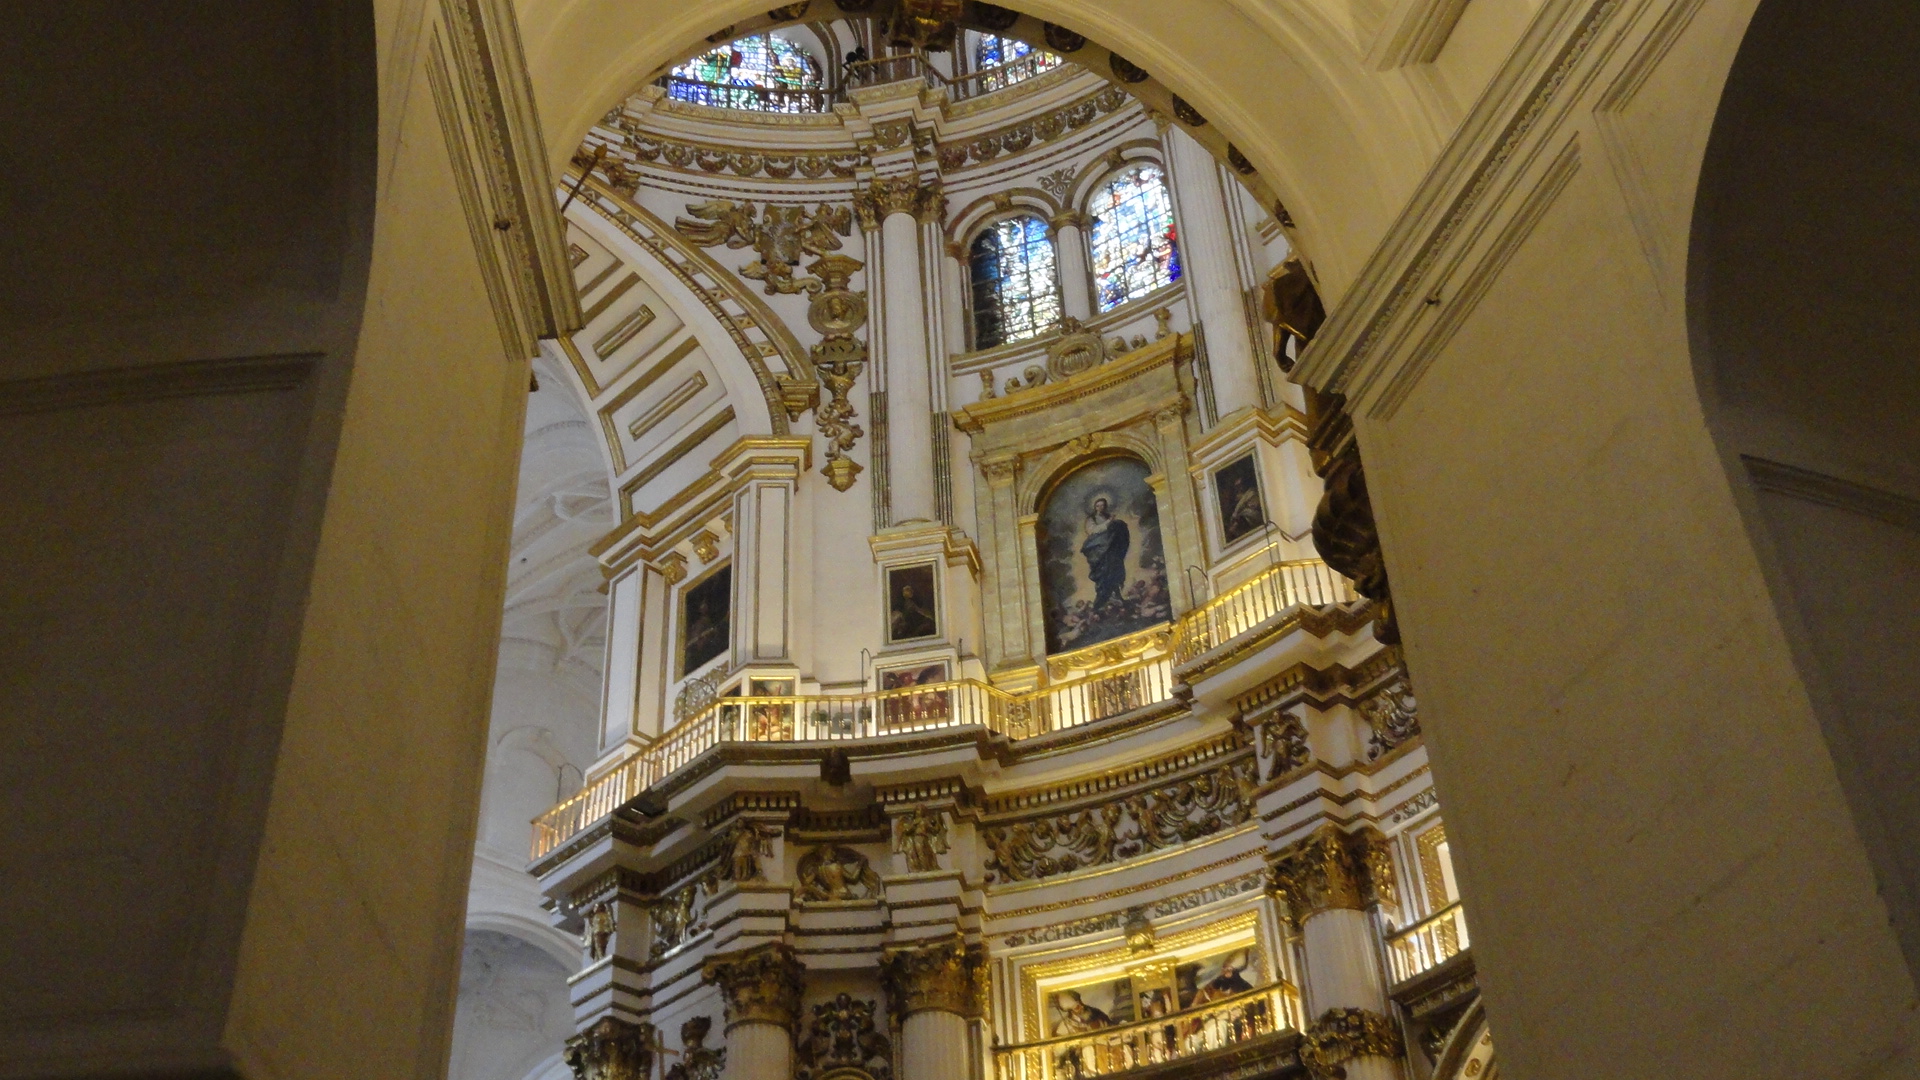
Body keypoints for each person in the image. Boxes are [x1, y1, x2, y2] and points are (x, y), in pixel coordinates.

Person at [1080, 496, 1131, 609]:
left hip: (1111, 549)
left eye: (1102, 505)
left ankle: (1116, 594)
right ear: (1095, 507)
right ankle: (1103, 597)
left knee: (1114, 569)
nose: (1100, 508)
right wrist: (1109, 522)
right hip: (1099, 550)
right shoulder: (1091, 519)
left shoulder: (1109, 517)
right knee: (1103, 572)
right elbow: (1093, 530)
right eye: (1098, 506)